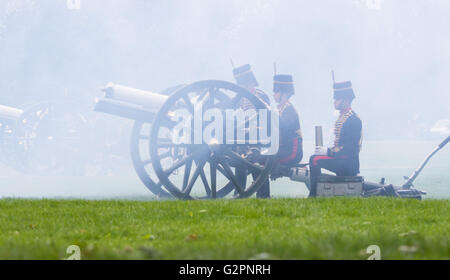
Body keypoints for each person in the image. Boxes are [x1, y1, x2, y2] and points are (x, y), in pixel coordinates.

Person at [309, 79, 362, 197]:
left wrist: (328, 152)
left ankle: (313, 195)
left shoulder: (353, 119)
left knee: (315, 159)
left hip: (349, 163)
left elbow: (350, 149)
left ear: (346, 100)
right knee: (315, 157)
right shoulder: (344, 117)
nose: (334, 101)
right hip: (343, 159)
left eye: (337, 98)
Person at [232, 64, 271, 198]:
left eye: (242, 84)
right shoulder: (239, 99)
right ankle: (238, 193)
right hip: (243, 138)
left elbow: (267, 119)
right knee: (239, 163)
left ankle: (263, 195)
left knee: (257, 165)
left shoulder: (261, 97)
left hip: (258, 138)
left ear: (249, 84)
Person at [272, 74, 303, 173]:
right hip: (282, 149)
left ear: (284, 93)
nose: (274, 94)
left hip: (291, 152)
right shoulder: (279, 109)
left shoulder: (289, 109)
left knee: (261, 159)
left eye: (276, 91)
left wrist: (271, 115)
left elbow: (285, 126)